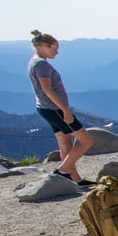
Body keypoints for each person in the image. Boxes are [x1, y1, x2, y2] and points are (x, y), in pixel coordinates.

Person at [27, 31, 96, 186]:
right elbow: (47, 89)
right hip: (54, 109)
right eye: (54, 49)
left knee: (65, 142)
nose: (56, 52)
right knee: (86, 141)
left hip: (45, 108)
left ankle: (75, 179)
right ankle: (62, 171)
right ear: (43, 46)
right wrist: (65, 109)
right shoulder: (41, 65)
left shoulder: (33, 62)